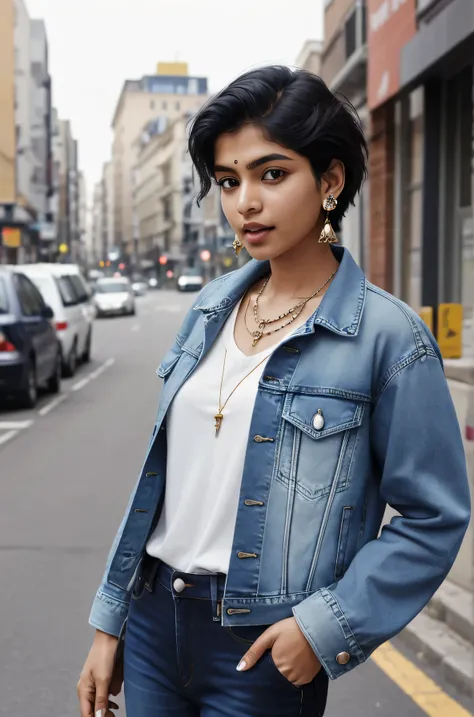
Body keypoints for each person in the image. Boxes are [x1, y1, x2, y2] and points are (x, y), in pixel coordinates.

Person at [77, 66, 470, 717]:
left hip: (262, 644)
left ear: (331, 180)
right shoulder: (207, 309)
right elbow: (161, 482)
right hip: (152, 624)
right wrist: (110, 618)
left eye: (271, 174)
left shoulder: (387, 338)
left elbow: (433, 517)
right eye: (229, 181)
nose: (244, 203)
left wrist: (326, 628)